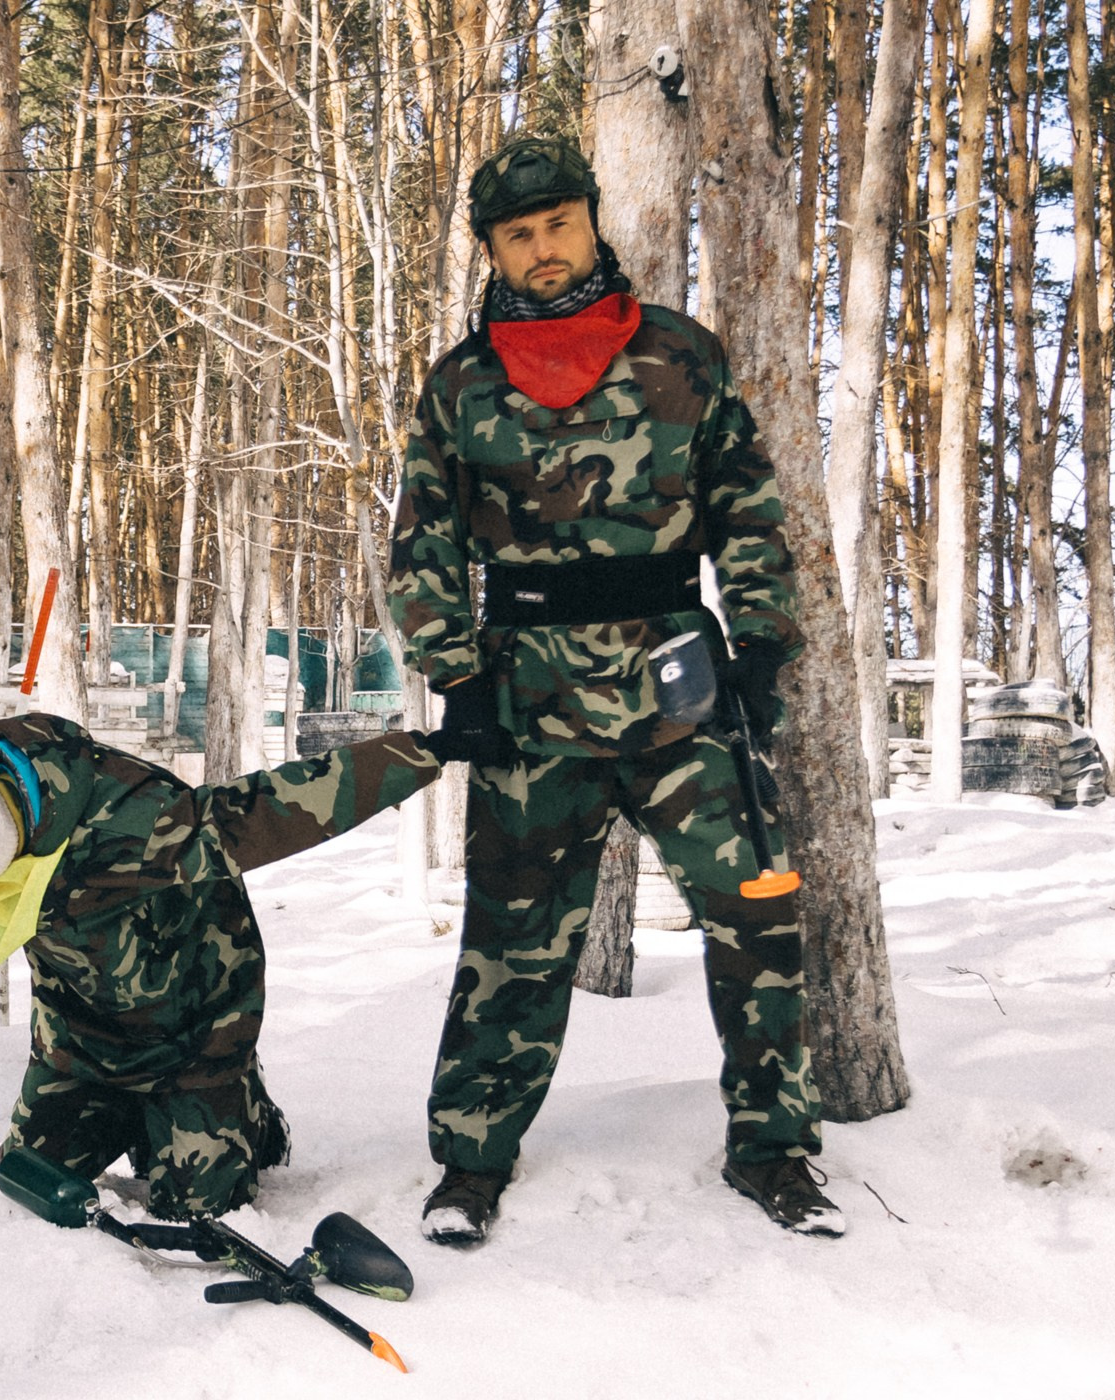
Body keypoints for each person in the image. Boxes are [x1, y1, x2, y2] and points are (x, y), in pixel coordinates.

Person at [385, 135, 838, 1246]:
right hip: (531, 699)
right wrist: (458, 674)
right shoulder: (461, 385)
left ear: (592, 219)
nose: (544, 251)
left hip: (679, 690)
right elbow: (422, 539)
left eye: (560, 225)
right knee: (512, 942)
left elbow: (749, 510)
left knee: (756, 912)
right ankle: (471, 1161)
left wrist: (763, 646)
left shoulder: (685, 355)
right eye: (519, 236)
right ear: (493, 249)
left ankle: (774, 1146)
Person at [0, 673, 460, 1220]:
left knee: (198, 1206)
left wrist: (427, 751)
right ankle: (128, 1114)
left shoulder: (149, 826)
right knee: (28, 1177)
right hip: (80, 1043)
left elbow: (296, 801)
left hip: (190, 1034)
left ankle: (241, 1111)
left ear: (8, 852)